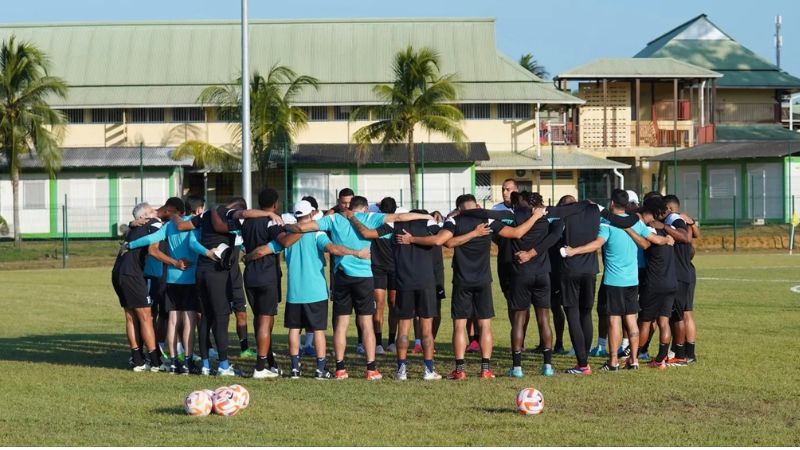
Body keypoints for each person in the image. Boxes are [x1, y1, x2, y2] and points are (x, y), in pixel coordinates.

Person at [396, 194, 544, 380]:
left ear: (459, 208)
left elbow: (446, 242)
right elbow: (517, 233)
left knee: (459, 326)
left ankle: (460, 370)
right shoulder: (487, 219)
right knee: (485, 325)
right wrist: (536, 216)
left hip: (461, 280)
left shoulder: (454, 220)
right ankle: (485, 369)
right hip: (483, 280)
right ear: (477, 205)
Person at [285, 196, 431, 380]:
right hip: (363, 278)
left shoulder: (333, 219)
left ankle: (340, 368)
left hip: (341, 277)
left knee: (341, 325)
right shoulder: (369, 218)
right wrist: (425, 217)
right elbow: (400, 218)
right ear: (363, 208)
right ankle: (371, 369)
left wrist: (287, 227)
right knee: (366, 323)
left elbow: (303, 227)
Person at [245, 200, 370, 379]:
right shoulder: (317, 234)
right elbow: (333, 249)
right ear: (311, 214)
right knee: (318, 330)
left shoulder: (287, 234)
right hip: (316, 291)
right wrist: (357, 253)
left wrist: (247, 257)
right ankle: (320, 370)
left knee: (294, 330)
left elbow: (262, 251)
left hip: (295, 293)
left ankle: (295, 369)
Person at [174, 197, 283, 376]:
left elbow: (181, 226)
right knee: (221, 318)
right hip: (217, 273)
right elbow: (245, 213)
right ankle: (224, 366)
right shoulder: (227, 212)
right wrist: (269, 213)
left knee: (205, 318)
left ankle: (206, 365)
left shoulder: (205, 215)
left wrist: (174, 217)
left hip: (200, 271)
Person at [565, 189, 672, 371]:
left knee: (614, 320)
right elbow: (651, 240)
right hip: (632, 280)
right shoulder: (635, 222)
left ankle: (613, 361)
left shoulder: (607, 223)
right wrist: (667, 239)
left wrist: (573, 251)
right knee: (631, 319)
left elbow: (597, 244)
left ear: (612, 203)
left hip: (614, 281)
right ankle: (634, 360)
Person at [125, 196, 211, 374]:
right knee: (189, 321)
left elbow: (150, 240)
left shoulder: (169, 225)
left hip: (170, 279)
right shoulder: (193, 224)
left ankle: (172, 362)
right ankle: (186, 361)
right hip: (188, 278)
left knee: (172, 320)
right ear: (195, 210)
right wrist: (208, 253)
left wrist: (130, 244)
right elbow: (194, 244)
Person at [113, 203, 188, 372]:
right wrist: (176, 263)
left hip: (118, 271)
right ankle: (156, 362)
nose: (157, 212)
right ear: (144, 217)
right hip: (131, 274)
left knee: (131, 317)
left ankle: (138, 360)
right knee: (146, 316)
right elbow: (153, 250)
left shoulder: (133, 229)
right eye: (152, 211)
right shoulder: (154, 224)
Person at [240, 188, 302, 379]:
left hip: (250, 276)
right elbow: (284, 241)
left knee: (261, 321)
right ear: (275, 204)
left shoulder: (248, 222)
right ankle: (259, 368)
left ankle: (270, 363)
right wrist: (301, 230)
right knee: (265, 324)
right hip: (266, 277)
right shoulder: (271, 221)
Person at [505, 192, 564, 377]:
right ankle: (547, 366)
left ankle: (517, 368)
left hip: (521, 273)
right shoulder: (546, 219)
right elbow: (555, 234)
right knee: (544, 319)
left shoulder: (515, 218)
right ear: (541, 204)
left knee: (519, 320)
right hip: (542, 274)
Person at [633, 195, 677, 369]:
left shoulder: (649, 230)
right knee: (663, 321)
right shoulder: (668, 229)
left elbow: (642, 240)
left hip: (654, 283)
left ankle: (633, 357)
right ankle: (661, 360)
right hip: (671, 281)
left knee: (645, 320)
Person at [492, 179, 529, 353]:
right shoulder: (497, 210)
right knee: (510, 300)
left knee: (523, 303)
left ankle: (521, 339)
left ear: (516, 190)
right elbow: (492, 232)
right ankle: (516, 337)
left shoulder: (525, 208)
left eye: (508, 189)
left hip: (525, 259)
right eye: (503, 189)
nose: (505, 192)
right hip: (505, 259)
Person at [663, 195, 697, 366]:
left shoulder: (673, 223)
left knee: (680, 315)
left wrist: (665, 228)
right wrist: (691, 223)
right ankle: (687, 353)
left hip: (680, 273)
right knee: (686, 313)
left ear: (668, 209)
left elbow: (688, 240)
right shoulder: (684, 221)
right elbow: (693, 239)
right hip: (689, 270)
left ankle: (682, 354)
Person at [366, 197, 398, 356]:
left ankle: (383, 343)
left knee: (380, 305)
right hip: (382, 269)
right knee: (392, 305)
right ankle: (388, 342)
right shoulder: (378, 223)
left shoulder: (376, 222)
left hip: (386, 269)